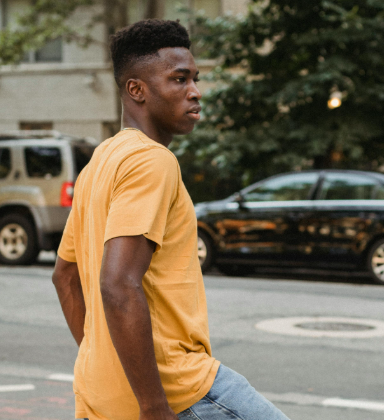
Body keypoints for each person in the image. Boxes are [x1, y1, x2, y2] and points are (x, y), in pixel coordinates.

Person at [52, 19, 290, 420]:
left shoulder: (100, 162)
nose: (195, 92)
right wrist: (153, 405)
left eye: (195, 79)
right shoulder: (152, 160)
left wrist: (108, 362)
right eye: (179, 79)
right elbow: (118, 283)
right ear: (136, 90)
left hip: (101, 394)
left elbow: (64, 277)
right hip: (177, 389)